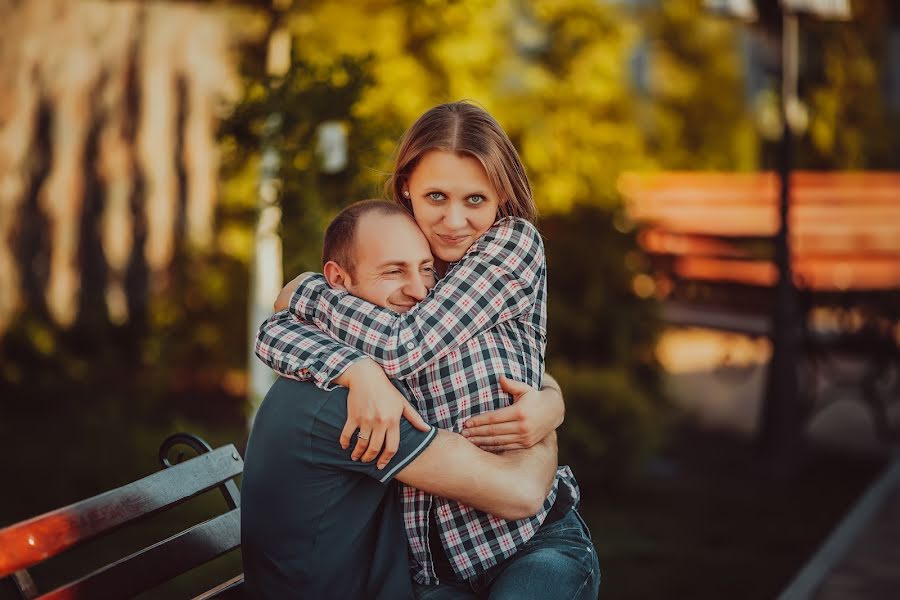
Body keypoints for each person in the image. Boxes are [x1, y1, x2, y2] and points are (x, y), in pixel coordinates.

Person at [256, 101, 599, 598]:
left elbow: (405, 346)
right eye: (436, 196)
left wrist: (309, 293)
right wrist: (355, 369)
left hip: (533, 541)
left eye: (475, 200)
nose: (454, 220)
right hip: (436, 565)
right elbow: (276, 333)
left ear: (501, 196)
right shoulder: (407, 263)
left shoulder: (511, 244)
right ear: (406, 191)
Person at [242, 200, 562, 599]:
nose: (420, 291)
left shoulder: (340, 361)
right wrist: (547, 432)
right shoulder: (359, 404)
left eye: (426, 269)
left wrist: (550, 397)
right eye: (394, 271)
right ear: (337, 279)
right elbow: (520, 493)